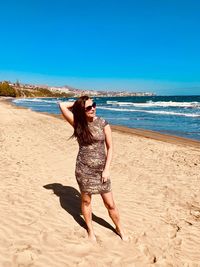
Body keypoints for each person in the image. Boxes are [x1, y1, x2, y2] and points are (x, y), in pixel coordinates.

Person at [59, 95, 127, 241]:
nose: (93, 108)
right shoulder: (77, 123)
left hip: (101, 170)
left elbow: (110, 148)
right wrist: (79, 104)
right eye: (89, 107)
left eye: (94, 105)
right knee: (86, 201)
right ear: (82, 110)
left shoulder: (103, 123)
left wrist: (107, 169)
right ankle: (91, 231)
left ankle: (119, 228)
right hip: (83, 169)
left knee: (110, 203)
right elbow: (62, 105)